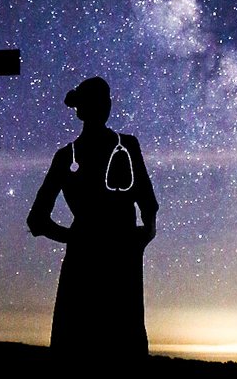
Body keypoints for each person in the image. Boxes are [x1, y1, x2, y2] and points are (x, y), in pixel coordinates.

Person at [27, 76, 158, 364]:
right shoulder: (68, 157)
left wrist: (140, 239)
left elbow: (149, 206)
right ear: (85, 109)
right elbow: (36, 219)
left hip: (109, 259)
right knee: (109, 346)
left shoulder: (121, 147)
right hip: (109, 259)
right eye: (100, 101)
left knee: (88, 345)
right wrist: (138, 239)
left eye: (106, 100)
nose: (105, 106)